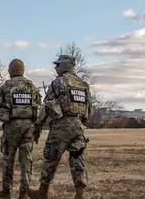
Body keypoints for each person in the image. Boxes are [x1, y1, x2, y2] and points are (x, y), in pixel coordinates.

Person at [28, 55, 92, 199]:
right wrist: (82, 122)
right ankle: (79, 194)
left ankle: (42, 192)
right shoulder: (83, 84)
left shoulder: (58, 82)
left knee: (50, 158)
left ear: (64, 66)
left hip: (61, 126)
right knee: (78, 159)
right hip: (78, 126)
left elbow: (47, 105)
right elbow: (89, 108)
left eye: (57, 65)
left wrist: (38, 126)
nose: (55, 68)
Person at [0, 59, 42, 199]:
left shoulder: (5, 87)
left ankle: (6, 192)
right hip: (29, 127)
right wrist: (38, 130)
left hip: (11, 127)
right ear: (23, 70)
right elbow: (39, 110)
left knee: (8, 159)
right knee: (26, 160)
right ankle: (23, 193)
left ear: (9, 71)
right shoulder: (32, 87)